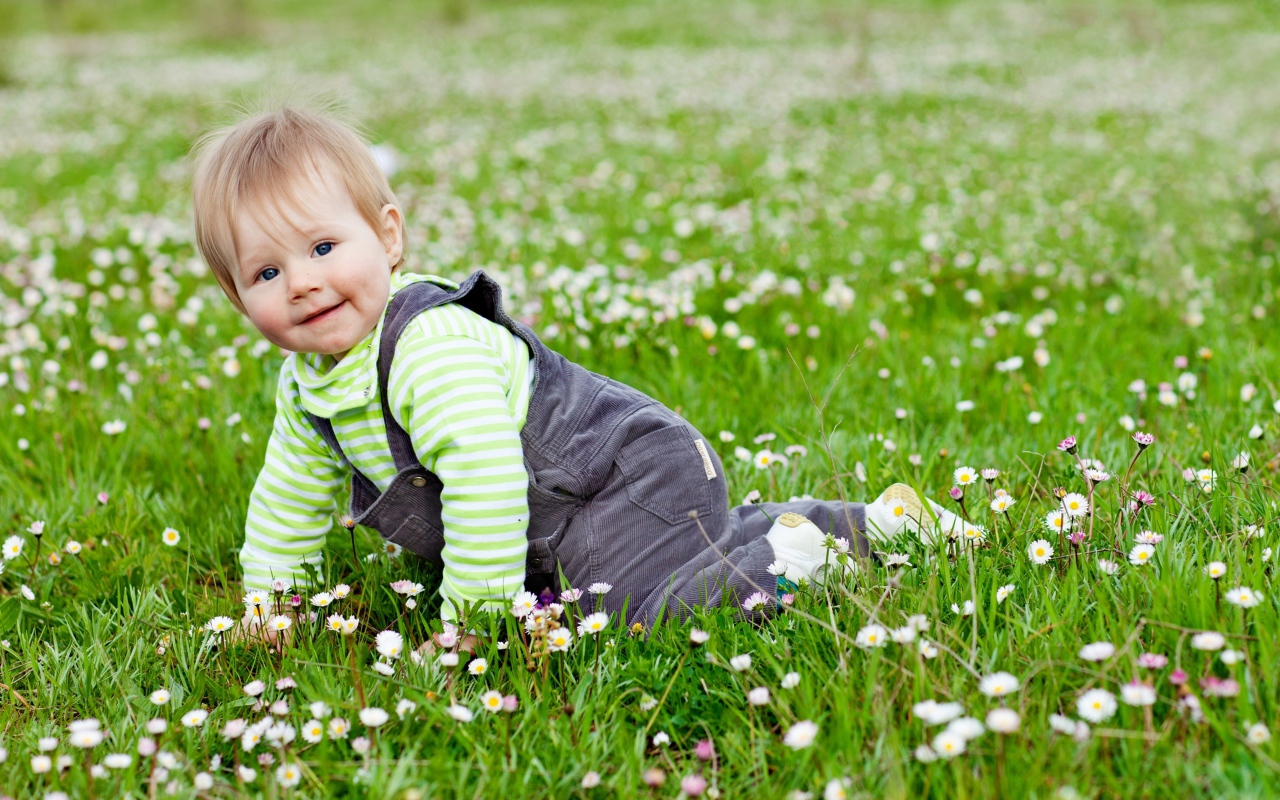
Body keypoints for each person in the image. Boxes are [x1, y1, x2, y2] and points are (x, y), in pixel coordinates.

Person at [190, 102, 962, 643]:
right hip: (558, 520)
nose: (302, 282)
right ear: (236, 296)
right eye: (265, 271)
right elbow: (287, 498)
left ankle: (800, 554)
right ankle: (871, 521)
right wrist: (268, 603)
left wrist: (475, 623)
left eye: (323, 248)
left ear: (387, 236)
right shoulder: (308, 388)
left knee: (635, 615)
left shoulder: (427, 348)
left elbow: (488, 478)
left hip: (622, 477)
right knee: (612, 585)